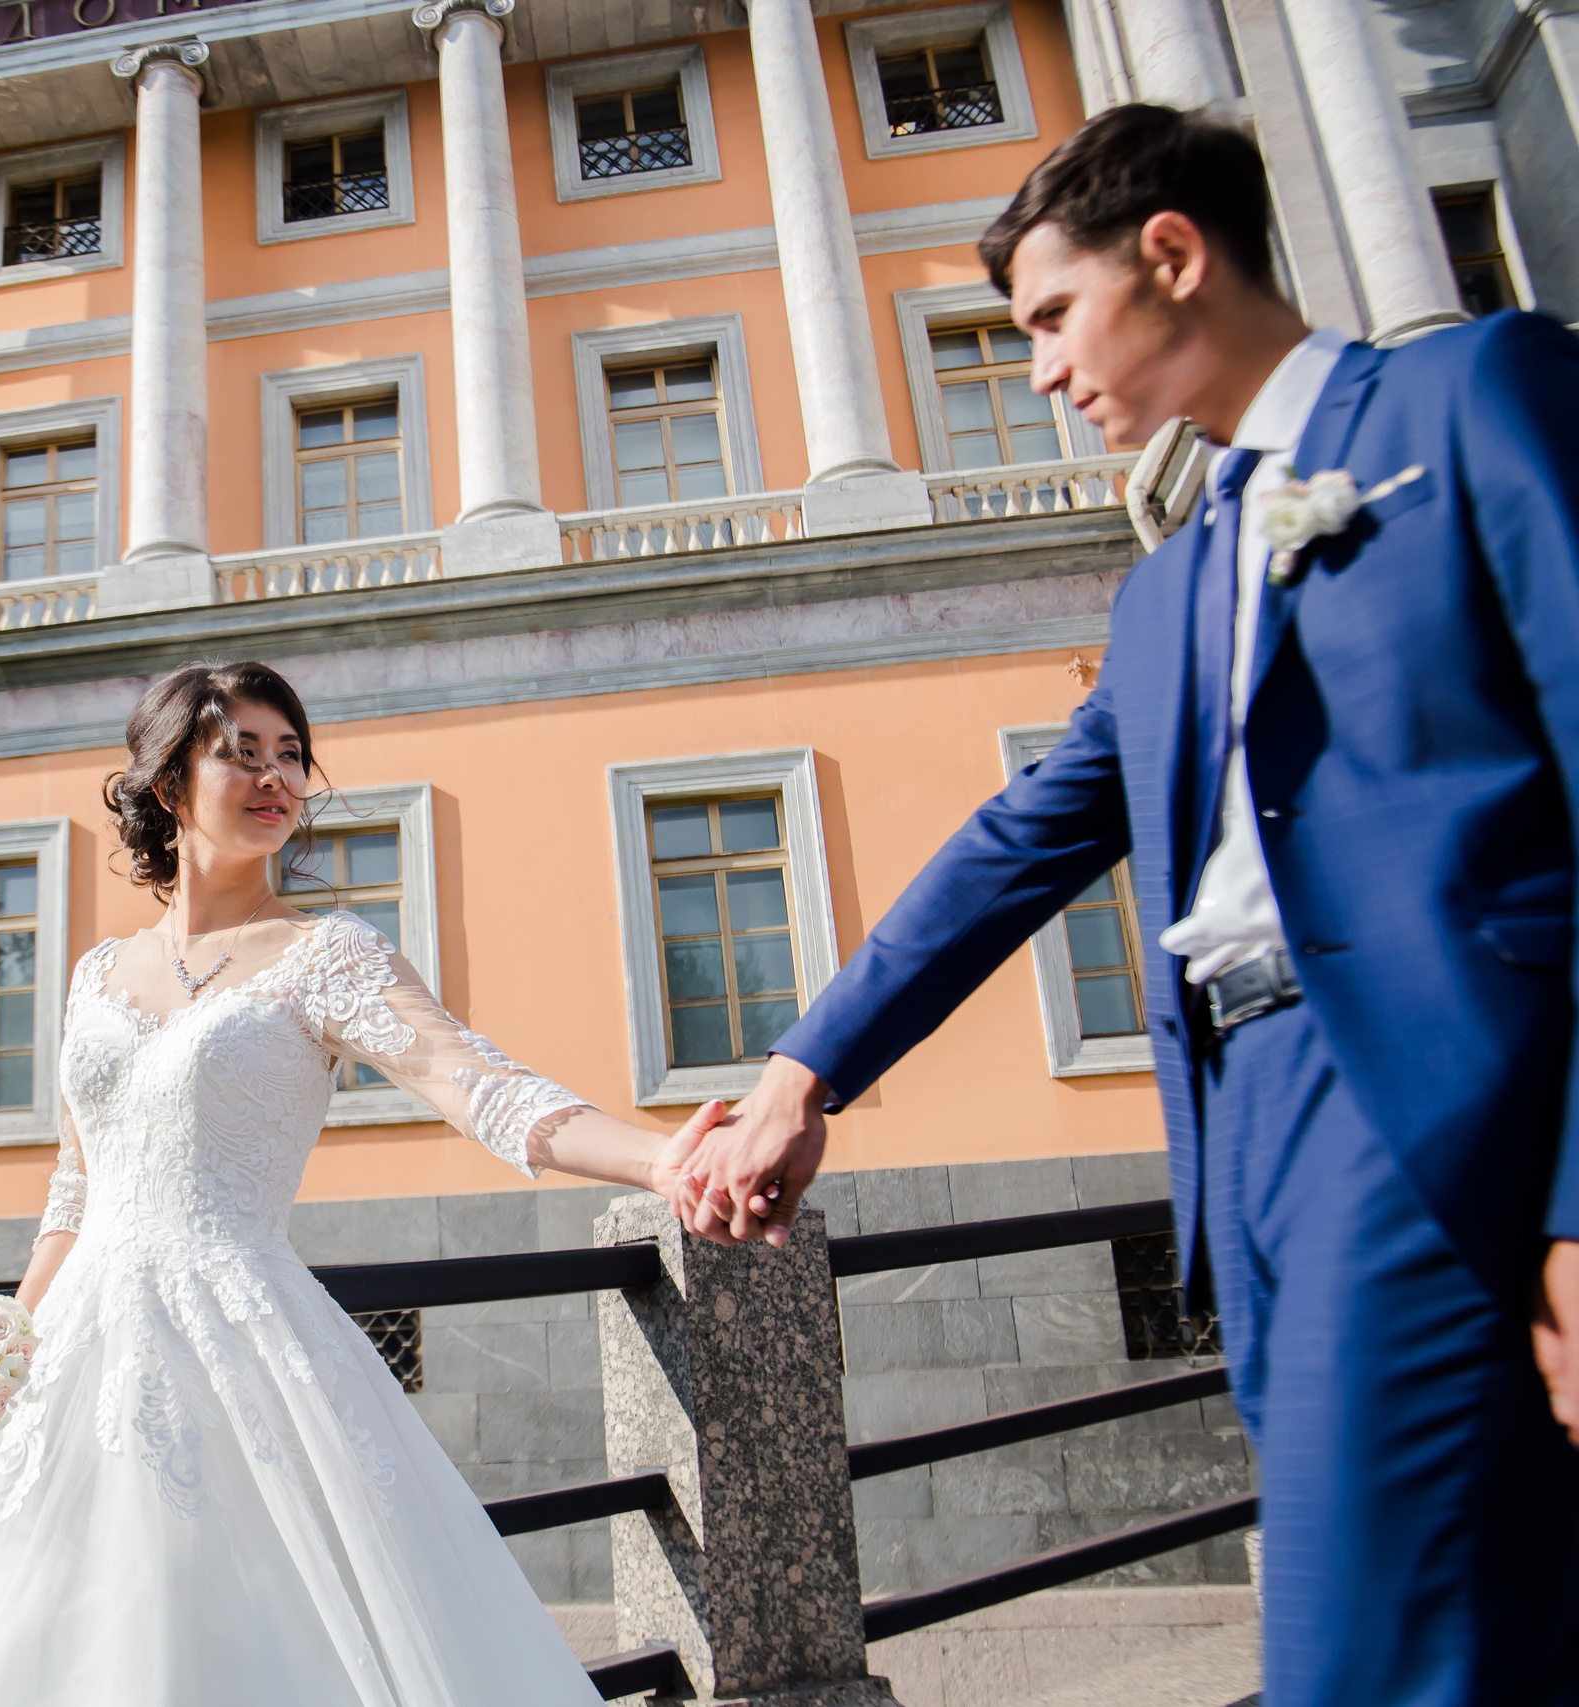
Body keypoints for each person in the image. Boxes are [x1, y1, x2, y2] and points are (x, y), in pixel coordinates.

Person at [676, 102, 1579, 1705]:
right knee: (1492, 1617)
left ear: (1171, 255)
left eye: (1048, 317)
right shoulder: (1168, 583)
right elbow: (1018, 841)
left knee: (1355, 1648)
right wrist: (803, 1070)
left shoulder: (1465, 395)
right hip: (1243, 1146)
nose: (1035, 370)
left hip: (1436, 1103)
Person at [0, 660, 725, 1705]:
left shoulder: (327, 955)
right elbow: (74, 1193)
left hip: (237, 1340)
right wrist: (0, 1350)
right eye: (241, 753)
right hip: (73, 1344)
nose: (276, 778)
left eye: (291, 755)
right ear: (170, 784)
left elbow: (478, 1085)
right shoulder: (95, 974)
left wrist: (662, 1159)